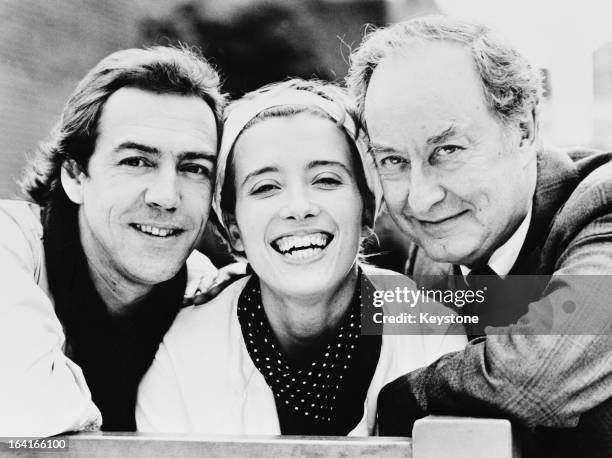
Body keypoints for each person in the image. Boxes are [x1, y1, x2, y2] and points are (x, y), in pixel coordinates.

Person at [135, 79, 466, 435]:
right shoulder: (180, 349)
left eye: (325, 180)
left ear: (367, 207)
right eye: (265, 187)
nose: (299, 208)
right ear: (234, 230)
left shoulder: (431, 330)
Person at [347, 15, 612, 455]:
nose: (421, 198)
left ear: (523, 130)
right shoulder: (434, 257)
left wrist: (394, 400)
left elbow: (535, 374)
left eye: (447, 150)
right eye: (393, 160)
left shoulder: (604, 207)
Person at [0, 45, 227, 436]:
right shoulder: (10, 245)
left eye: (193, 168)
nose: (166, 196)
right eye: (136, 161)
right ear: (74, 175)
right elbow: (28, 415)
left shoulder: (206, 294)